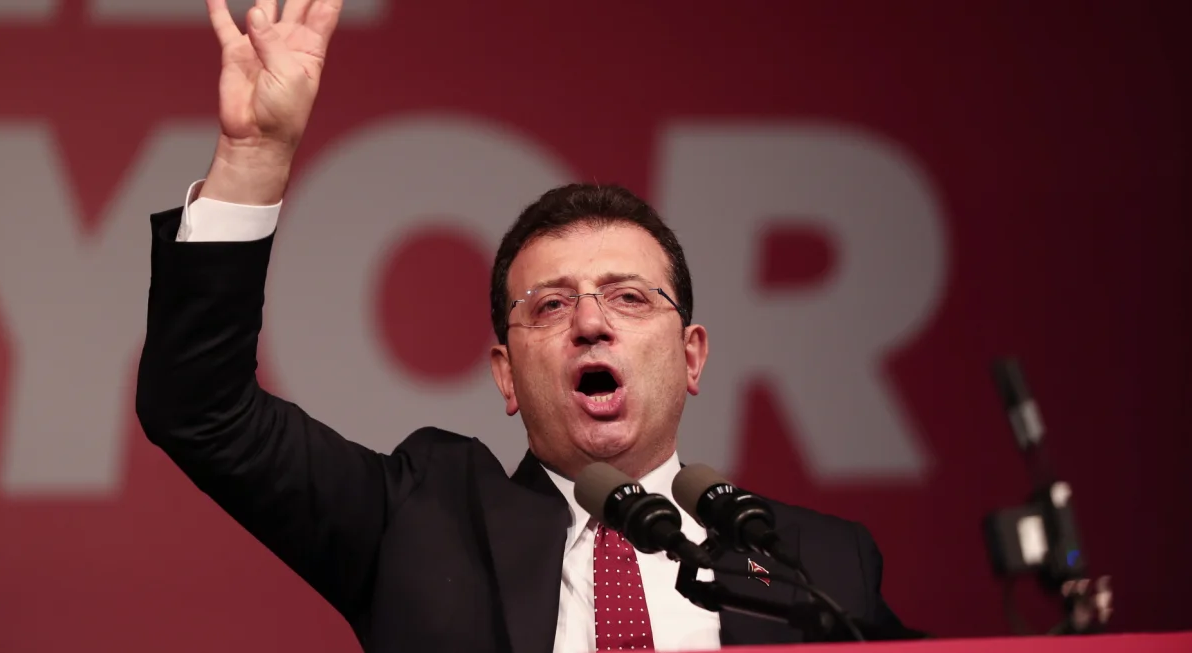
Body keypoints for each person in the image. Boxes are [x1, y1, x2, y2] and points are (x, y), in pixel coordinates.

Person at [135, 0, 917, 650]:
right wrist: (255, 155)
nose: (588, 321)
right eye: (549, 305)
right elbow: (201, 409)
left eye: (629, 298)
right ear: (505, 371)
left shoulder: (813, 561)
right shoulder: (417, 522)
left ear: (691, 356)